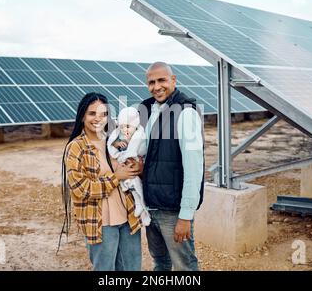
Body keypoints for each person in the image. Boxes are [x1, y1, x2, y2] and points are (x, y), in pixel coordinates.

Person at [59, 92, 143, 271]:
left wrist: (137, 167)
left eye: (103, 114)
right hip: (100, 223)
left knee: (132, 268)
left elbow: (131, 167)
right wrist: (116, 177)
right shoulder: (75, 148)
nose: (98, 119)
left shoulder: (114, 140)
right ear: (82, 116)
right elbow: (82, 189)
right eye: (92, 114)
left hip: (128, 217)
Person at [138, 62, 205, 271]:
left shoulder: (186, 113)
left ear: (173, 80)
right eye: (151, 82)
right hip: (150, 208)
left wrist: (186, 215)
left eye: (161, 80)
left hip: (172, 211)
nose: (156, 86)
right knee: (160, 263)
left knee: (184, 266)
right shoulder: (147, 110)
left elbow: (194, 168)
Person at [107, 106, 151, 226]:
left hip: (134, 161)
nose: (124, 130)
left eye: (127, 127)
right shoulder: (122, 134)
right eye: (121, 127)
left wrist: (127, 156)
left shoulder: (139, 135)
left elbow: (138, 151)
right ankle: (139, 204)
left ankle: (142, 207)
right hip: (126, 164)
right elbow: (112, 143)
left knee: (135, 183)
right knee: (130, 184)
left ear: (135, 124)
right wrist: (116, 144)